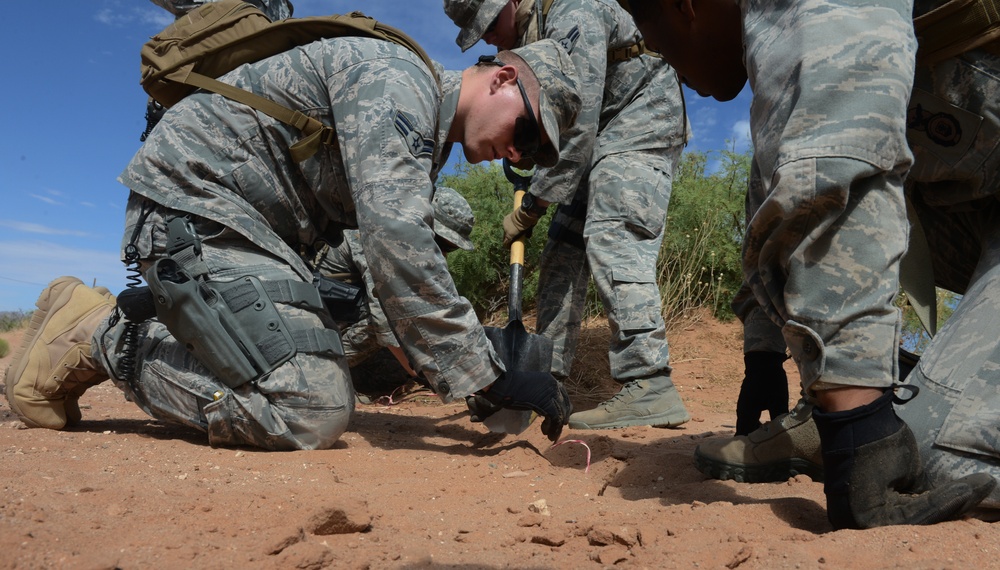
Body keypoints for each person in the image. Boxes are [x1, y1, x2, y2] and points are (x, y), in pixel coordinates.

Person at [4, 35, 583, 451]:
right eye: (525, 132)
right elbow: (398, 243)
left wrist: (461, 378)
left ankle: (130, 329)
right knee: (312, 407)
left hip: (247, 231)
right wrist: (491, 375)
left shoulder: (421, 132)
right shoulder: (400, 83)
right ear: (503, 79)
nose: (516, 155)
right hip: (200, 205)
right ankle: (102, 333)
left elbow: (389, 283)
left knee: (315, 364)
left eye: (529, 156)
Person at [620, 0, 998, 529]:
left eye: (662, 49)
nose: (677, 76)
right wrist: (763, 359)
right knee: (791, 147)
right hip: (981, 207)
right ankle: (858, 403)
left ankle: (864, 411)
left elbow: (831, 158)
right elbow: (778, 190)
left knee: (948, 451)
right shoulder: (778, 59)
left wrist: (859, 432)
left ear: (688, 7)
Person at [443, 0, 692, 430]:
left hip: (640, 122)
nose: (485, 37)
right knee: (561, 252)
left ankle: (649, 381)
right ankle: (546, 380)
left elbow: (577, 125)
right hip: (600, 137)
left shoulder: (575, 9)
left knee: (612, 232)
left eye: (486, 24)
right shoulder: (536, 33)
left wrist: (534, 205)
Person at [312, 186, 477, 401]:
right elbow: (383, 318)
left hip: (340, 325)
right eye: (440, 243)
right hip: (315, 326)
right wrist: (428, 375)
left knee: (399, 363)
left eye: (450, 248)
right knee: (391, 325)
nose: (443, 255)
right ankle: (321, 373)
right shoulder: (374, 233)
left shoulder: (403, 246)